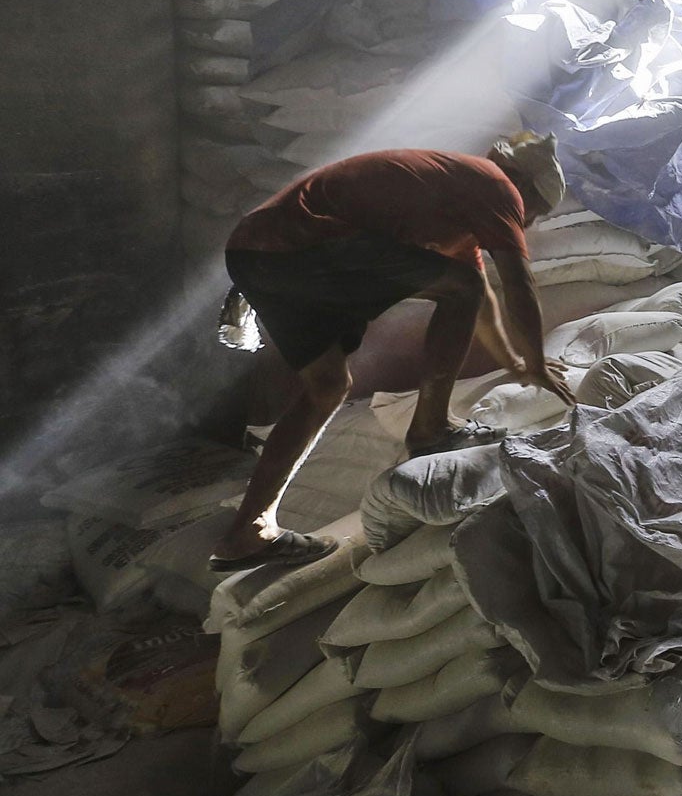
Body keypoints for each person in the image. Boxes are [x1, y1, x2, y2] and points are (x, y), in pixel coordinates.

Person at [211, 134, 575, 571]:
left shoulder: (457, 196)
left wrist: (515, 363)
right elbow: (517, 283)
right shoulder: (495, 184)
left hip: (258, 253)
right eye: (536, 212)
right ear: (526, 188)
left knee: (328, 387)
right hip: (302, 245)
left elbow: (482, 304)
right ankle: (430, 429)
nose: (529, 224)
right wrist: (535, 363)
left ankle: (249, 531)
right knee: (464, 286)